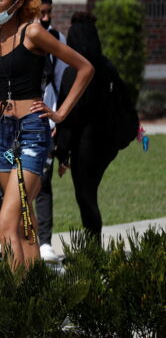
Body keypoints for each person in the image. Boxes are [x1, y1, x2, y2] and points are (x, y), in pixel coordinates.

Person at [0, 0, 92, 266]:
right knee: (21, 219)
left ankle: (14, 303)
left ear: (18, 3)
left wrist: (61, 113)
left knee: (4, 225)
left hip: (31, 133)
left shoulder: (33, 33)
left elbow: (84, 68)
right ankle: (35, 294)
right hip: (2, 136)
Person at [53, 13, 133, 238]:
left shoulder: (74, 74)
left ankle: (93, 245)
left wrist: (62, 152)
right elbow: (125, 103)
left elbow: (68, 118)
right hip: (107, 143)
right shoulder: (107, 68)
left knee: (85, 196)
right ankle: (92, 243)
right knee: (90, 193)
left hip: (84, 145)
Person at [29, 0, 69, 262]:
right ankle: (13, 238)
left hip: (46, 121)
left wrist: (58, 116)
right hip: (14, 124)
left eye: (48, 13)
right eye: (39, 13)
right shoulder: (12, 36)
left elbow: (63, 81)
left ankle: (44, 241)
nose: (45, 18)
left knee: (42, 182)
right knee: (9, 184)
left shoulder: (55, 38)